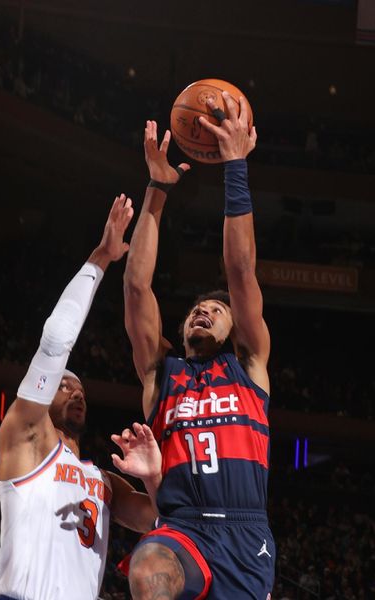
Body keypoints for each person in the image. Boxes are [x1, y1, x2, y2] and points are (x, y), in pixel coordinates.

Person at [122, 94, 275, 599]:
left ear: (235, 329)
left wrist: (236, 167)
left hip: (244, 535)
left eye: (217, 310)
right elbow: (137, 289)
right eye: (194, 311)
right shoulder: (160, 374)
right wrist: (158, 191)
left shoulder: (248, 364)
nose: (202, 311)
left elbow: (240, 270)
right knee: (147, 570)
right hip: (182, 527)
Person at [0, 194, 163, 600]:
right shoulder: (26, 438)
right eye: (65, 386)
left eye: (82, 390)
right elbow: (54, 343)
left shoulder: (103, 481)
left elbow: (158, 519)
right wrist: (102, 257)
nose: (76, 392)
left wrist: (154, 477)